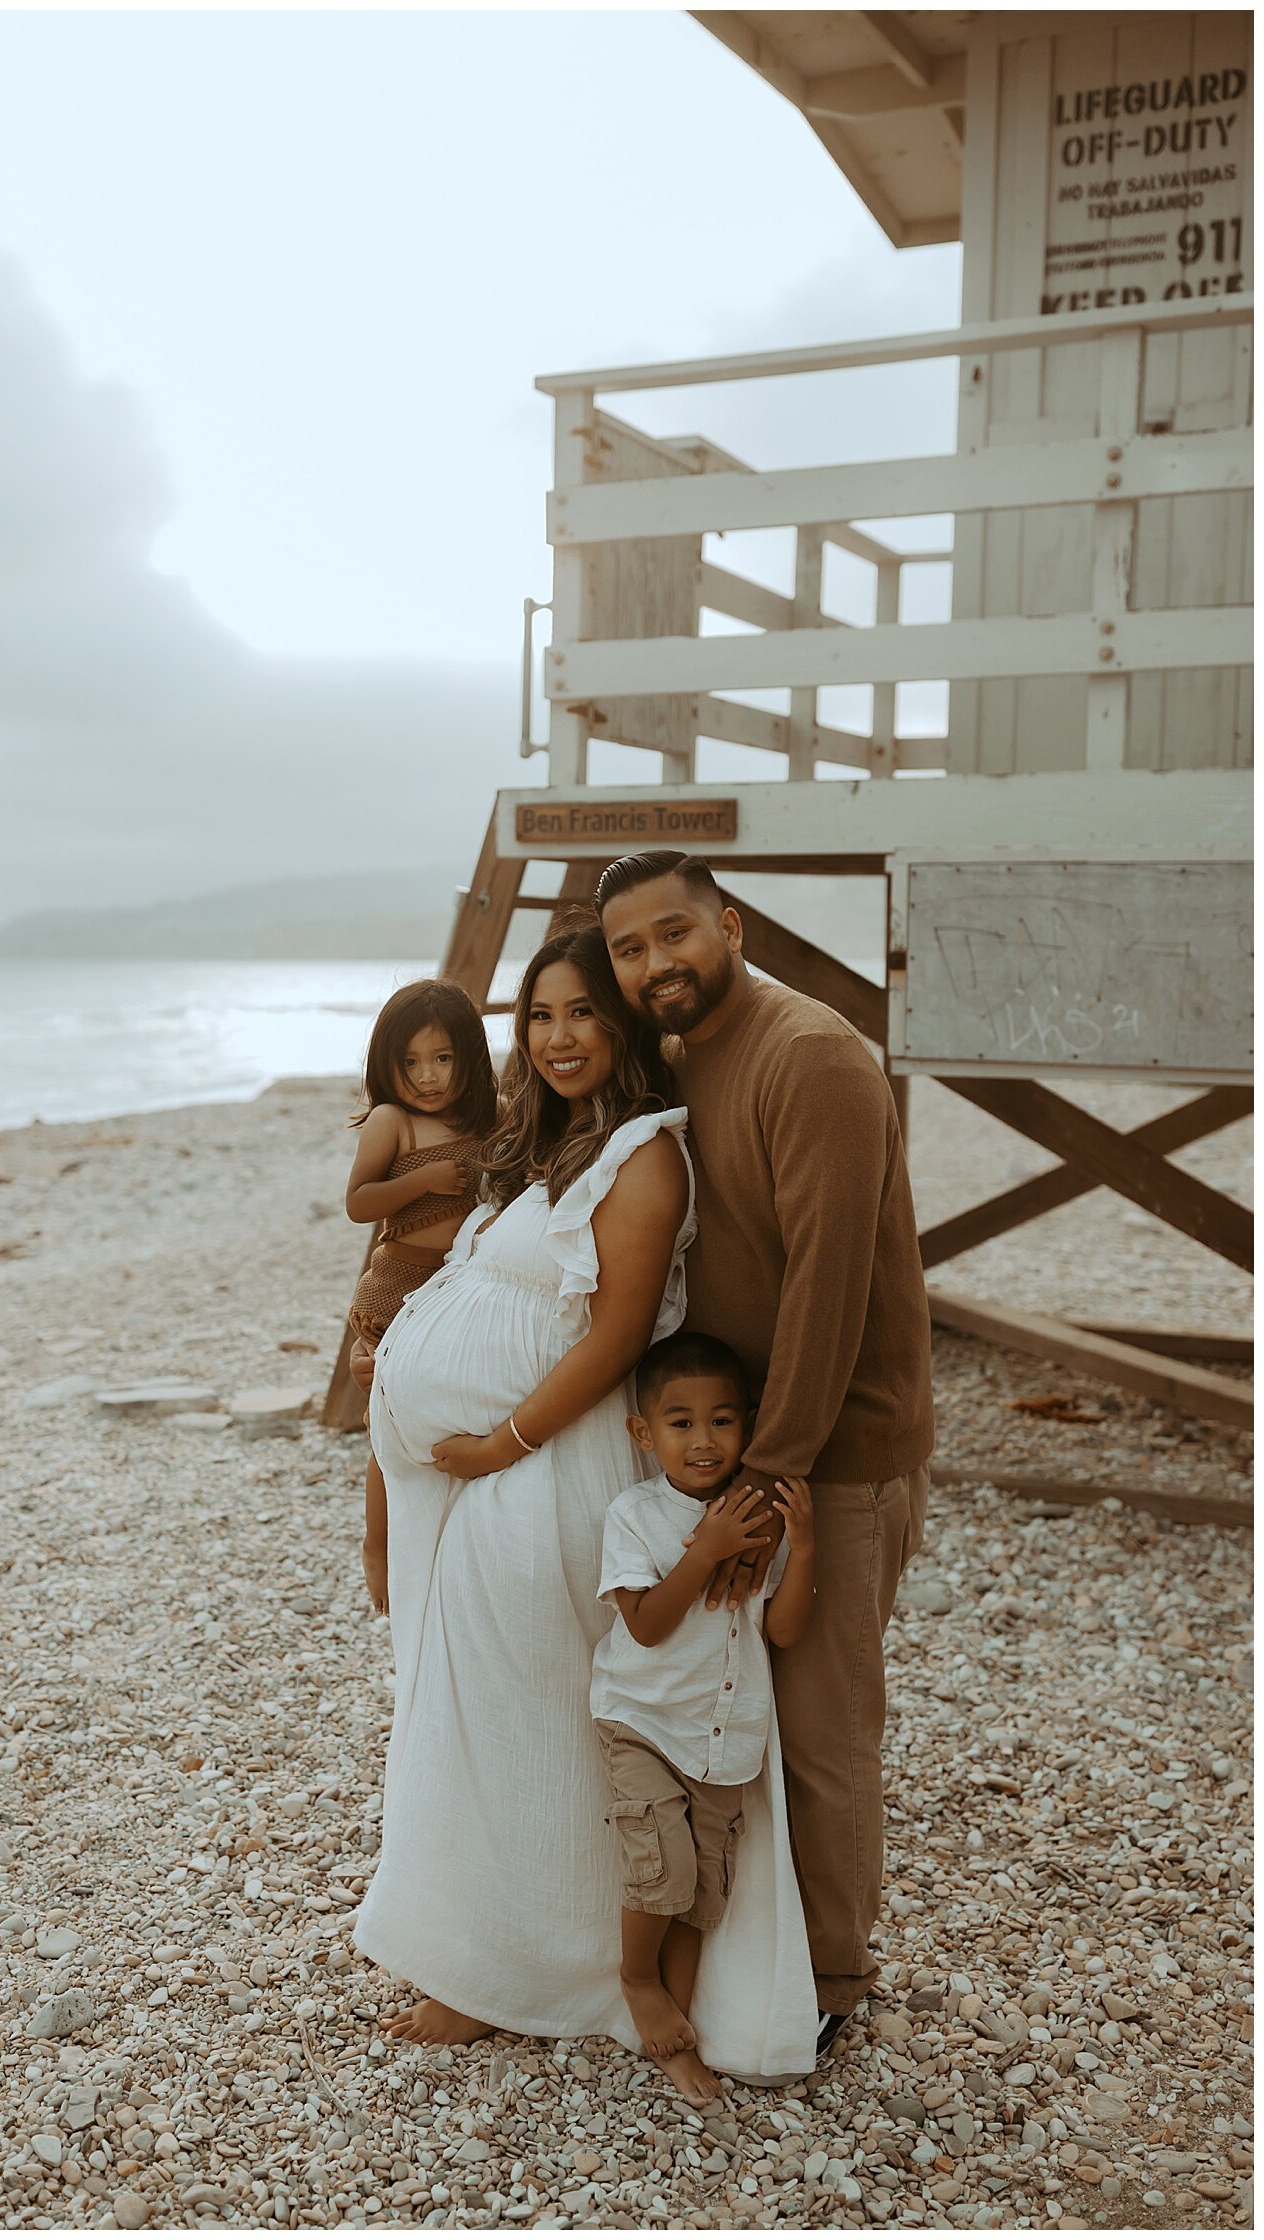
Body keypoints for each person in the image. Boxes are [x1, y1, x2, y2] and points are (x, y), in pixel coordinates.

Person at [352, 918, 819, 2101]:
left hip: (549, 1469)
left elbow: (614, 1334)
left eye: (583, 1012)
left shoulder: (646, 1154)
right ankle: (489, 1959)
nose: (561, 1036)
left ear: (623, 1023)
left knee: (540, 1723)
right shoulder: (555, 1142)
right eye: (541, 1014)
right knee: (490, 1719)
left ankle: (559, 1971)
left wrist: (499, 1438)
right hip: (504, 1469)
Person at [597, 850, 934, 2060]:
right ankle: (770, 1955)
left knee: (824, 1723)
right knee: (755, 1712)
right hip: (743, 1448)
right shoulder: (691, 1051)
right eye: (630, 950)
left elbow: (831, 1290)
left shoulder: (815, 1057)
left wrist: (763, 1484)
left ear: (730, 925)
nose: (654, 965)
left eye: (674, 934)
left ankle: (834, 1975)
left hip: (827, 1452)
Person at [592, 1330, 817, 2086]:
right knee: (663, 1866)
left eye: (722, 1420)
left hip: (726, 1738)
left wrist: (805, 1550)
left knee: (699, 1896)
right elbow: (647, 1626)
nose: (703, 1439)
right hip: (646, 1722)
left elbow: (782, 1631)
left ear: (748, 1425)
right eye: (681, 1422)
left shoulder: (756, 1517)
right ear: (643, 1433)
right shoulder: (634, 1514)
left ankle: (675, 2033)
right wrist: (706, 1550)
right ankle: (637, 1980)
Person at [344, 980, 497, 1617]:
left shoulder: (487, 1119)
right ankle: (376, 1546)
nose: (427, 1077)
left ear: (469, 1057)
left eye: (442, 1059)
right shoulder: (394, 1121)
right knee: (389, 1424)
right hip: (399, 1286)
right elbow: (358, 1204)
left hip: (457, 1287)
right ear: (388, 1064)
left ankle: (447, 1535)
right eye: (410, 1063)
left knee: (448, 1414)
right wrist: (428, 1178)